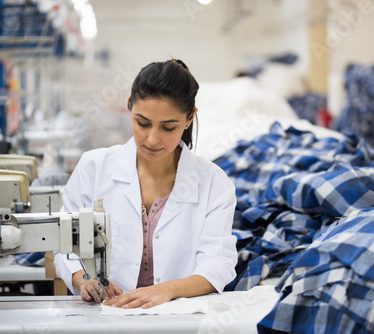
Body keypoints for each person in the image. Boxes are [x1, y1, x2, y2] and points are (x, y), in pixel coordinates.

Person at [54, 59, 238, 309]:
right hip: (104, 312)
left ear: (189, 118)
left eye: (168, 127)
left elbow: (218, 264)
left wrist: (167, 290)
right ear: (129, 106)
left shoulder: (214, 183)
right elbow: (65, 246)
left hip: (178, 315)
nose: (152, 139)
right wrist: (82, 279)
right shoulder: (93, 168)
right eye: (142, 123)